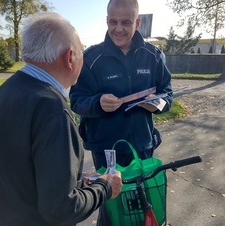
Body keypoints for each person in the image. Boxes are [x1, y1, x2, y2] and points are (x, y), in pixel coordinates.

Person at [0, 12, 122, 226]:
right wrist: (105, 188)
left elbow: (21, 173)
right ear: (70, 57)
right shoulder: (51, 109)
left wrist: (76, 181)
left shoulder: (4, 92)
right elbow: (61, 209)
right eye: (81, 50)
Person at [69, 0, 173, 224]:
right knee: (110, 209)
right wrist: (97, 103)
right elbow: (76, 101)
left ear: (137, 23)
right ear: (106, 21)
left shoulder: (153, 55)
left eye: (126, 22)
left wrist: (157, 104)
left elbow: (167, 95)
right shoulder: (91, 59)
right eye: (113, 22)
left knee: (141, 205)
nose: (119, 29)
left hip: (142, 147)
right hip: (106, 152)